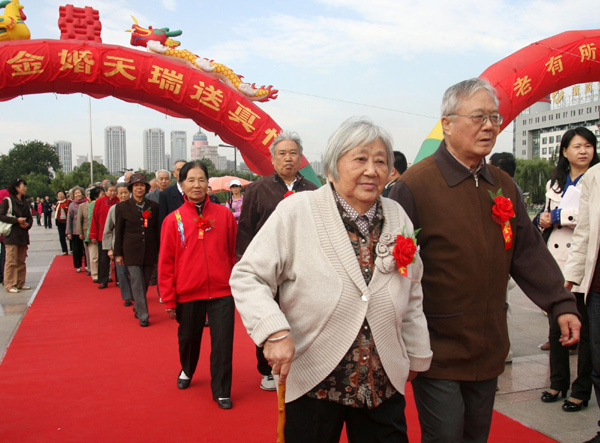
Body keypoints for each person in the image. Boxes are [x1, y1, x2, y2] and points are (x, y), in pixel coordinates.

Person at [389, 78, 580, 442]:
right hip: (437, 348)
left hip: (489, 344)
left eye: (494, 117)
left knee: (476, 436)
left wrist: (560, 303)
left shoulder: (503, 184)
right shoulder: (415, 186)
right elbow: (397, 270)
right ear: (447, 123)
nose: (490, 126)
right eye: (478, 116)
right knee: (445, 436)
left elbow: (527, 251)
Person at [231, 118, 432, 441]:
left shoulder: (397, 215)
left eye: (381, 161)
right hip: (315, 381)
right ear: (332, 167)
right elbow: (248, 275)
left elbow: (413, 288)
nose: (372, 170)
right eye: (360, 159)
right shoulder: (298, 210)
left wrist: (417, 350)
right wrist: (273, 331)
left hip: (381, 382)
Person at [236, 130, 318, 391]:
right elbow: (246, 231)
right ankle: (267, 368)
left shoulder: (313, 192)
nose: (288, 158)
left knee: (301, 316)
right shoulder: (257, 191)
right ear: (272, 159)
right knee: (268, 315)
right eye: (282, 153)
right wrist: (245, 265)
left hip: (303, 267)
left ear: (300, 158)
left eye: (293, 153)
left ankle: (303, 364)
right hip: (268, 268)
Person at [159, 161, 238, 409]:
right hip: (188, 292)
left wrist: (237, 283)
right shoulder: (173, 220)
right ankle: (187, 368)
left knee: (223, 343)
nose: (197, 185)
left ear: (208, 184)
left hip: (222, 291)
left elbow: (233, 253)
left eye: (201, 179)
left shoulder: (224, 215)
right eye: (191, 180)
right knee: (189, 338)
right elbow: (166, 262)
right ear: (181, 185)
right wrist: (169, 298)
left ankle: (222, 389)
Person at [538, 128, 598, 412]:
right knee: (556, 326)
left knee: (585, 331)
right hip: (557, 261)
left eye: (589, 146)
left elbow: (589, 220)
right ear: (564, 151)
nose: (583, 151)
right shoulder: (555, 183)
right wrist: (544, 218)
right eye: (577, 146)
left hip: (586, 261)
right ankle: (557, 381)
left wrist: (562, 216)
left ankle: (581, 389)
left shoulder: (596, 179)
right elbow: (544, 217)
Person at [564, 145, 600, 443]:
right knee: (598, 363)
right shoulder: (594, 177)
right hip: (597, 286)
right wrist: (571, 277)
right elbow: (585, 231)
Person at [114, 174, 159, 327]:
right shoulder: (122, 207)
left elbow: (156, 229)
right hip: (130, 250)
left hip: (150, 249)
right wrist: (118, 253)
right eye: (136, 186)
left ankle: (137, 306)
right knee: (137, 282)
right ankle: (144, 315)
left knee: (145, 281)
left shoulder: (153, 206)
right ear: (131, 189)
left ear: (146, 188)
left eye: (142, 185)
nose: (139, 188)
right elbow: (118, 231)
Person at [0, 178, 33, 293]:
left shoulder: (25, 201)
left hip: (23, 235)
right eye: (23, 186)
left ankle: (20, 282)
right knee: (11, 261)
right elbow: (2, 216)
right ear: (16, 187)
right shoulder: (7, 201)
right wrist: (16, 220)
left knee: (21, 260)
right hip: (12, 236)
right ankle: (9, 284)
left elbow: (29, 217)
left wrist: (27, 224)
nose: (25, 188)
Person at [103, 182, 134, 307]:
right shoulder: (113, 209)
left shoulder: (135, 207)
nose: (123, 195)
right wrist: (109, 249)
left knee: (135, 272)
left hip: (133, 245)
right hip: (118, 246)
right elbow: (108, 230)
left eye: (125, 192)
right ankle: (127, 296)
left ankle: (136, 293)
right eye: (120, 193)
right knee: (121, 272)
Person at [89, 181, 118, 289]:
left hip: (116, 234)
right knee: (103, 259)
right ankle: (103, 280)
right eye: (110, 191)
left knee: (118, 257)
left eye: (114, 190)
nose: (113, 193)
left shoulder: (119, 201)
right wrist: (93, 235)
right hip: (103, 234)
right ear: (105, 191)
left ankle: (119, 280)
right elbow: (94, 219)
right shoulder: (99, 202)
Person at [77, 187, 104, 282]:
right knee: (94, 256)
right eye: (101, 194)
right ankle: (95, 274)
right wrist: (91, 234)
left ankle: (103, 275)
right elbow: (90, 221)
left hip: (102, 232)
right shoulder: (93, 204)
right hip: (93, 232)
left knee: (102, 257)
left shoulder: (104, 203)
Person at [159, 160, 187, 228]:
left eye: (185, 169)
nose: (182, 172)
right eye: (179, 170)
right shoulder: (165, 194)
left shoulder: (196, 192)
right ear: (174, 173)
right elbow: (163, 221)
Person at [66, 187, 87, 273]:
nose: (78, 194)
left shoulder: (86, 203)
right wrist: (68, 232)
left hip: (85, 230)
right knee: (76, 249)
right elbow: (69, 219)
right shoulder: (72, 205)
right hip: (75, 231)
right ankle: (78, 265)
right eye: (76, 193)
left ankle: (87, 265)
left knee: (86, 249)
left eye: (79, 193)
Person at [54, 191, 71, 255]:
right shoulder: (57, 203)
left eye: (61, 194)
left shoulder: (68, 202)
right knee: (61, 236)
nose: (60, 196)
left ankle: (72, 249)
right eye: (59, 195)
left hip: (67, 221)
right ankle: (64, 250)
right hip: (60, 221)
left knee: (69, 236)